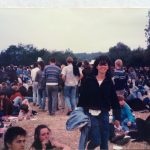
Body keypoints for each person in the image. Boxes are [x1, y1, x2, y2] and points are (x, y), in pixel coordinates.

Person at [78, 55, 121, 150]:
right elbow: (82, 99)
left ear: (108, 67)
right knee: (97, 140)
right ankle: (90, 148)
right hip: (90, 114)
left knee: (104, 140)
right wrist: (80, 117)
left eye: (106, 64)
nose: (103, 66)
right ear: (97, 66)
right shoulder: (89, 80)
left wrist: (117, 117)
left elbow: (114, 100)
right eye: (101, 64)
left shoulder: (109, 82)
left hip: (104, 114)